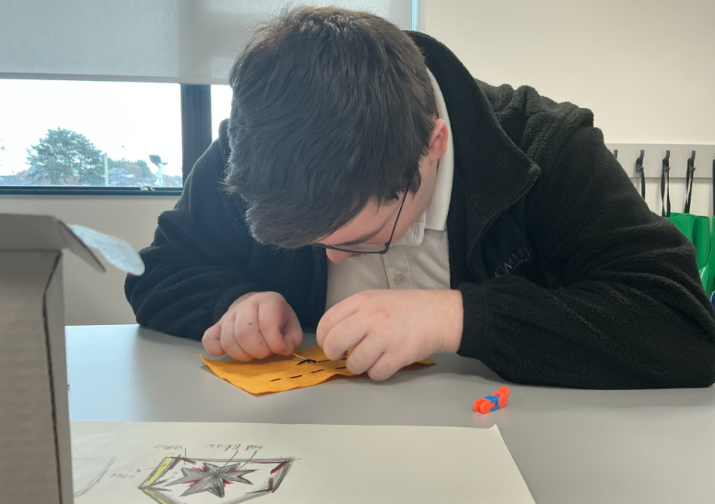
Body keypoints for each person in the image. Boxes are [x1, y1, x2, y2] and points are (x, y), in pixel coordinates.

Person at [125, 6, 715, 389]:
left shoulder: (547, 147)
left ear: (435, 144)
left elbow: (682, 327)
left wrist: (460, 317)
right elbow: (158, 272)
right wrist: (235, 300)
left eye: (362, 238)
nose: (332, 257)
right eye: (308, 242)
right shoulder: (254, 153)